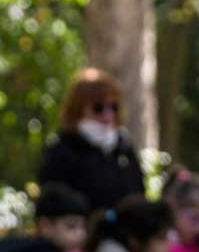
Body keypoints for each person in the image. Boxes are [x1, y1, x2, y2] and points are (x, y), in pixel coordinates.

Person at [39, 67, 145, 210]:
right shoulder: (62, 149)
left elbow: (138, 193)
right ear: (78, 108)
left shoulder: (123, 147)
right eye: (98, 108)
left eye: (113, 107)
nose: (108, 115)